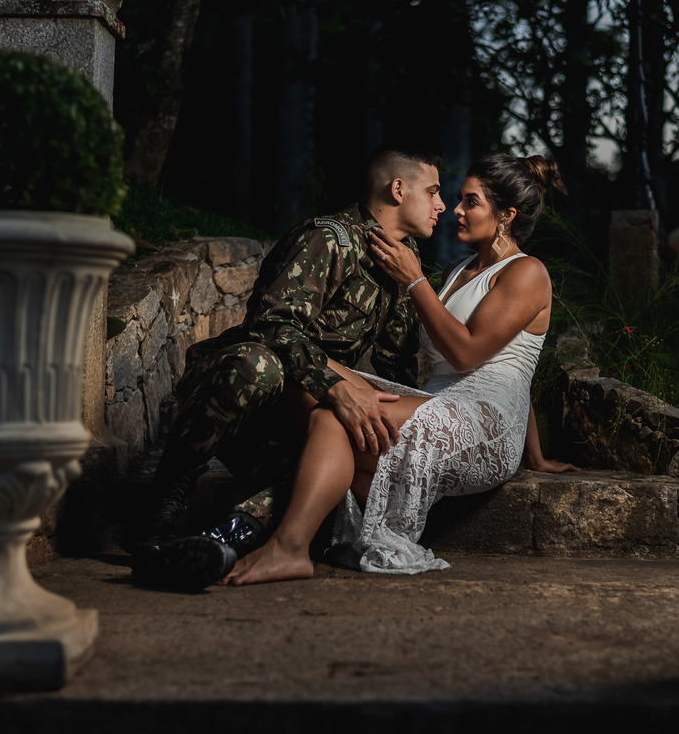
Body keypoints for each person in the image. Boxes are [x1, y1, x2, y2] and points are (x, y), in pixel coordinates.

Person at [221, 152, 577, 586]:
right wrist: (538, 458)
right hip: (441, 404)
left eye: (471, 202)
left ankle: (288, 547)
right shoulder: (456, 271)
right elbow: (518, 369)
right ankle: (286, 527)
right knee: (316, 381)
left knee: (336, 417)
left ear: (506, 215)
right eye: (456, 199)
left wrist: (414, 281)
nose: (455, 210)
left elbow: (482, 362)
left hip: (485, 423)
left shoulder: (528, 273)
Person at [130, 146, 446, 590]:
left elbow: (396, 366)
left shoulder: (401, 258)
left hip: (298, 414)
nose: (441, 205)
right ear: (398, 189)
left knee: (323, 474)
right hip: (240, 390)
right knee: (260, 365)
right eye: (432, 192)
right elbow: (270, 324)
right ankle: (161, 509)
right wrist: (335, 386)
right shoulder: (329, 238)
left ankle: (212, 546)